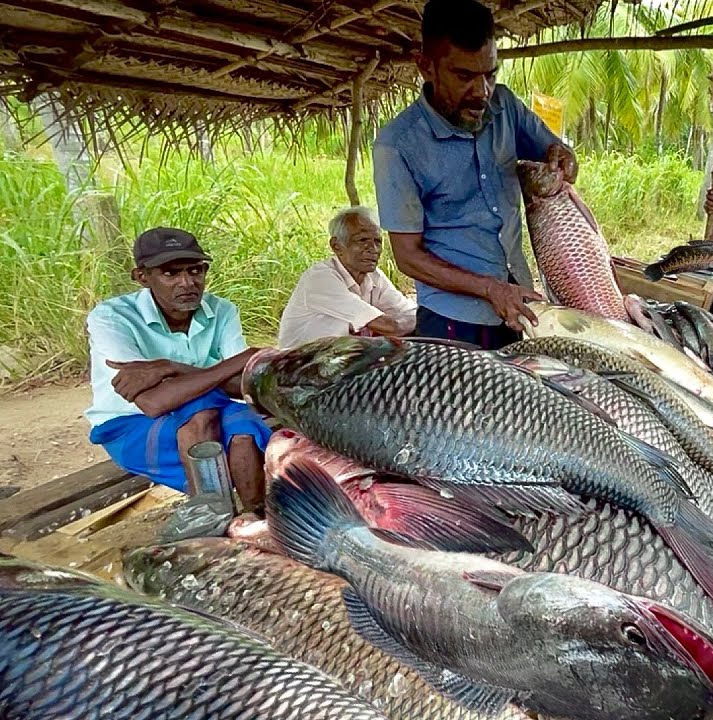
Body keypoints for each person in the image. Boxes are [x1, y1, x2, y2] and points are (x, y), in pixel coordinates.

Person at [372, 0, 577, 350]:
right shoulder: (398, 146)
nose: (482, 91)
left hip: (520, 304)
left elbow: (556, 152)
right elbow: (407, 256)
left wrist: (563, 159)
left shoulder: (504, 105)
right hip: (453, 321)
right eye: (464, 76)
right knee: (460, 404)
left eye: (490, 74)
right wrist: (490, 288)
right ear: (426, 67)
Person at [85, 228, 271, 513]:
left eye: (196, 270)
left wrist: (169, 368)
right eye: (170, 274)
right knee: (203, 410)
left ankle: (255, 518)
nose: (187, 283)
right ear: (142, 277)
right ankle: (209, 515)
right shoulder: (112, 318)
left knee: (244, 425)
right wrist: (242, 359)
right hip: (130, 423)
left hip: (210, 415)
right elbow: (152, 402)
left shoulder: (221, 310)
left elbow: (244, 384)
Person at [277, 206, 418, 349]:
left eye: (377, 241)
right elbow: (390, 327)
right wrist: (410, 322)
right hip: (302, 364)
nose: (373, 249)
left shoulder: (374, 277)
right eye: (362, 240)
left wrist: (412, 321)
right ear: (336, 246)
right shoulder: (321, 279)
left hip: (340, 359)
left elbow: (407, 312)